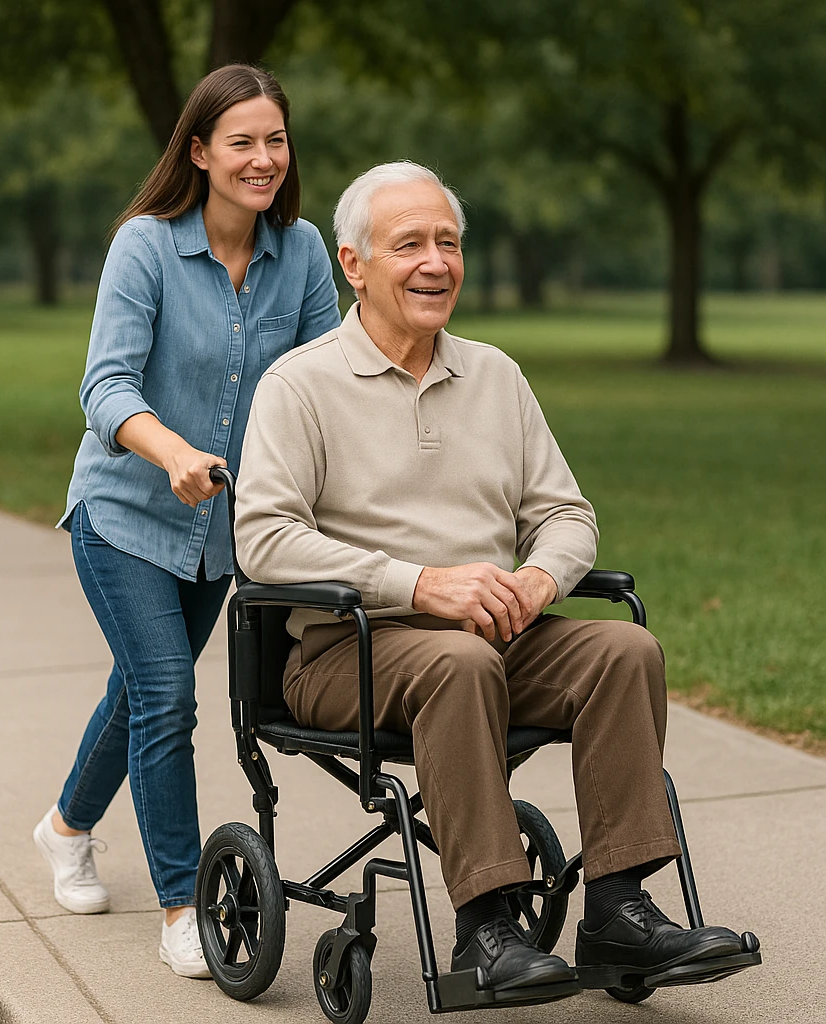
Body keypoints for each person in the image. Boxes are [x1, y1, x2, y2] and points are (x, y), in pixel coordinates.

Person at [233, 161, 746, 1005]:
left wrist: (540, 580)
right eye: (410, 245)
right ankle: (485, 928)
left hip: (491, 634)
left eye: (448, 241)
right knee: (459, 666)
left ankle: (618, 910)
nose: (436, 261)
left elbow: (567, 514)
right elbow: (264, 540)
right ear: (353, 264)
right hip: (347, 653)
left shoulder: (496, 376)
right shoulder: (302, 386)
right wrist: (417, 583)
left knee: (624, 649)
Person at [32, 64, 341, 980]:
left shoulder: (306, 252)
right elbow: (105, 385)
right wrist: (171, 455)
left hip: (222, 538)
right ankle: (181, 903)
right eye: (240, 142)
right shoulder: (146, 247)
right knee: (167, 693)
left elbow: (323, 382)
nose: (262, 158)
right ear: (199, 152)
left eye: (274, 140)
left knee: (141, 692)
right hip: (126, 516)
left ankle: (64, 827)